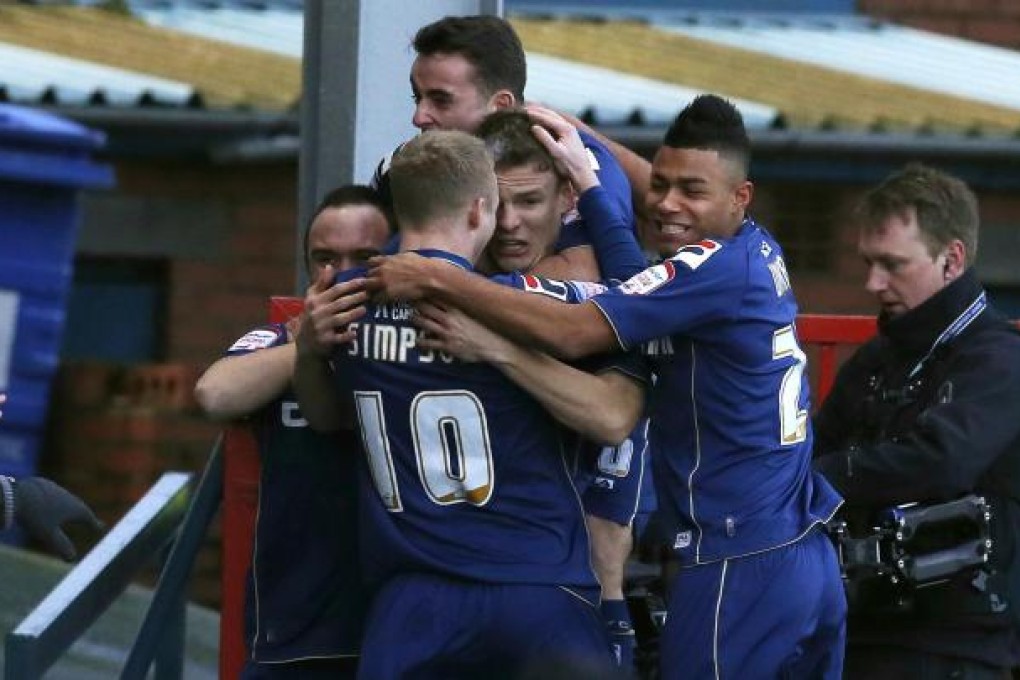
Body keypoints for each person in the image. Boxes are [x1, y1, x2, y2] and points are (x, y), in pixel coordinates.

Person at [366, 94, 847, 679]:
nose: (667, 204)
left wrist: (442, 277)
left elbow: (574, 333)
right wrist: (590, 167)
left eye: (691, 191)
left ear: (738, 197)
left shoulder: (705, 270)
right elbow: (634, 282)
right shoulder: (749, 247)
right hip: (801, 547)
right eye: (659, 185)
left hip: (737, 557)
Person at [295, 130, 646, 679]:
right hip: (534, 585)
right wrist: (595, 192)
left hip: (411, 601)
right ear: (482, 209)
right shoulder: (531, 303)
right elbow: (632, 311)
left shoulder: (343, 301)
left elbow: (324, 419)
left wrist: (307, 353)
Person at [812, 164, 1020, 679]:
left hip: (956, 643)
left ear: (953, 260)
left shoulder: (999, 359)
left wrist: (813, 479)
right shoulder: (878, 358)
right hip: (859, 625)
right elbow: (815, 446)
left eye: (892, 264)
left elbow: (942, 460)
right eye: (867, 263)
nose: (872, 283)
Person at [474, 107, 648, 671]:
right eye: (497, 204)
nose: (509, 223)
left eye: (528, 202)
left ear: (567, 199)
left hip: (597, 579)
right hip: (489, 574)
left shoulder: (584, 285)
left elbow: (627, 303)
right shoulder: (474, 279)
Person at [193, 185, 391, 679]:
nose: (339, 273)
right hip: (293, 635)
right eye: (324, 258)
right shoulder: (276, 339)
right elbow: (214, 394)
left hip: (396, 628)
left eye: (363, 257)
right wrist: (307, 346)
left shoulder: (421, 344)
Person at [372, 14, 636, 281]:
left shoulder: (578, 163)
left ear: (501, 106)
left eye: (441, 100)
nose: (418, 117)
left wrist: (442, 285)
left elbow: (578, 275)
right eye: (418, 98)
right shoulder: (403, 165)